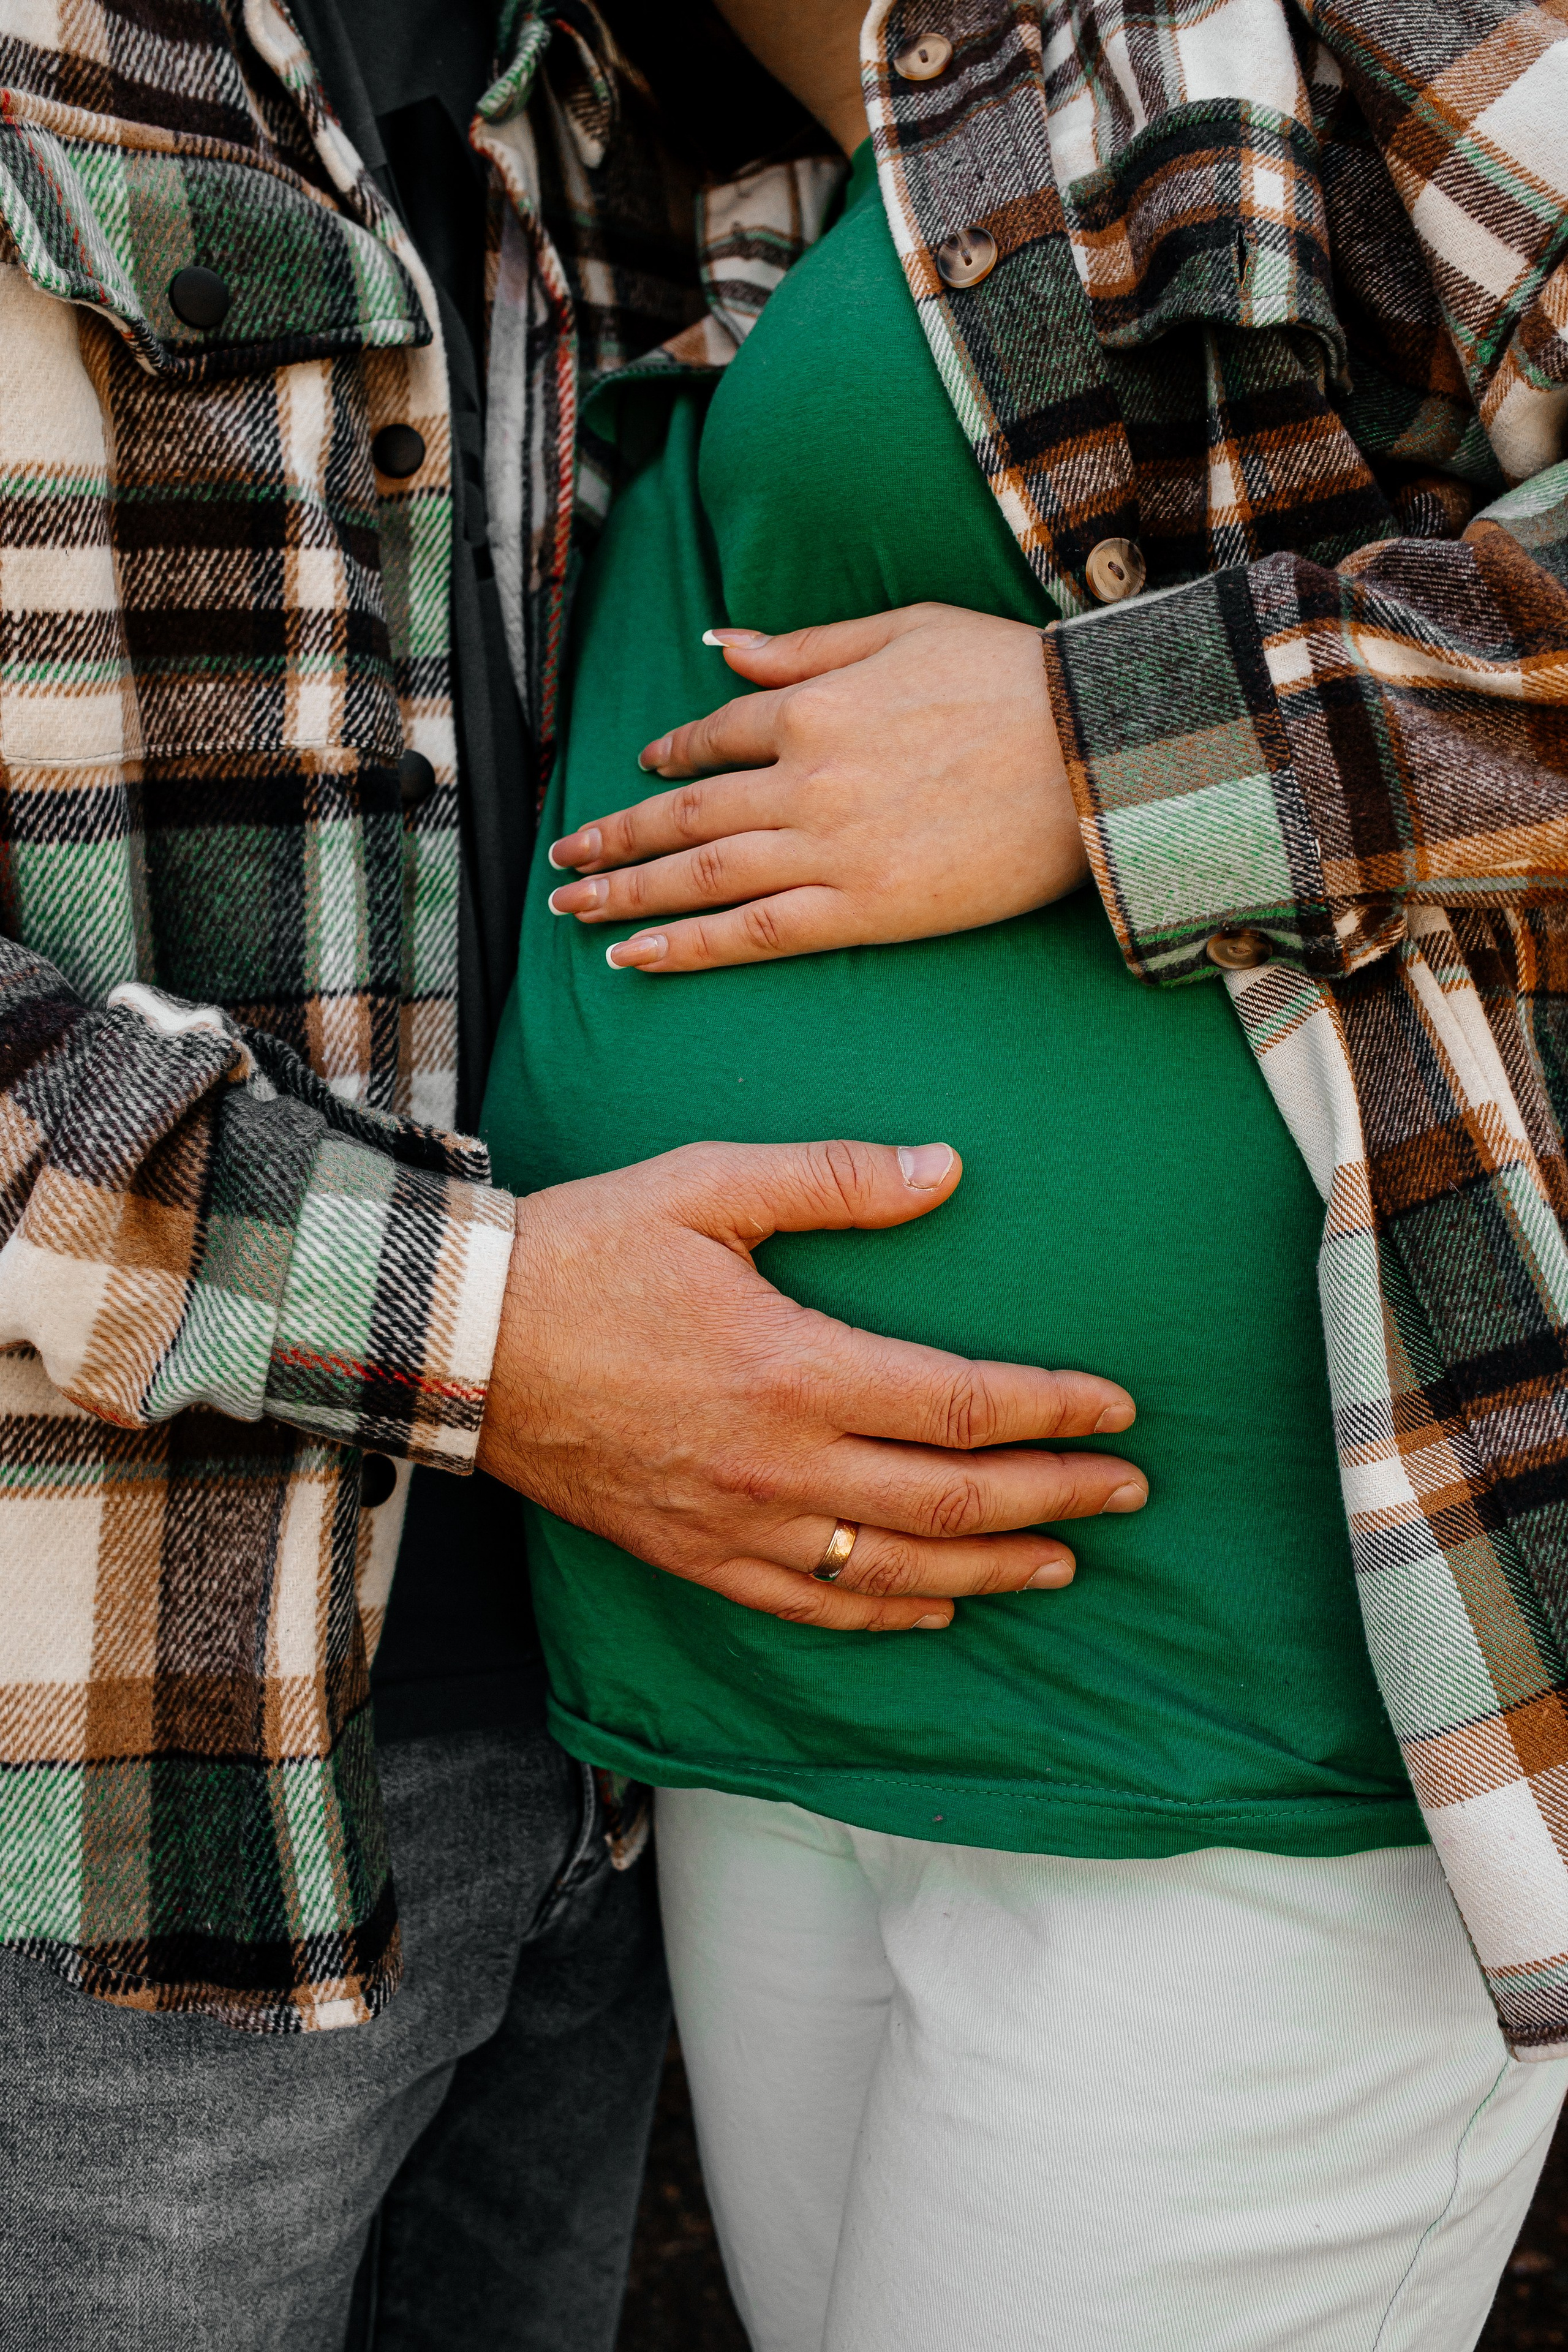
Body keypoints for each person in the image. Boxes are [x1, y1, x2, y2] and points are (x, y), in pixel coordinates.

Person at [0, 4, 1147, 2345]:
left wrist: (1118, 741)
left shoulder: (642, 84)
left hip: (628, 1741)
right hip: (101, 1791)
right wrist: (481, 1324)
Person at [481, 1, 1568, 2347]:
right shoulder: (635, 176)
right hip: (770, 1697)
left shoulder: (1305, 30)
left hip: (1252, 1715)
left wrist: (1111, 746)